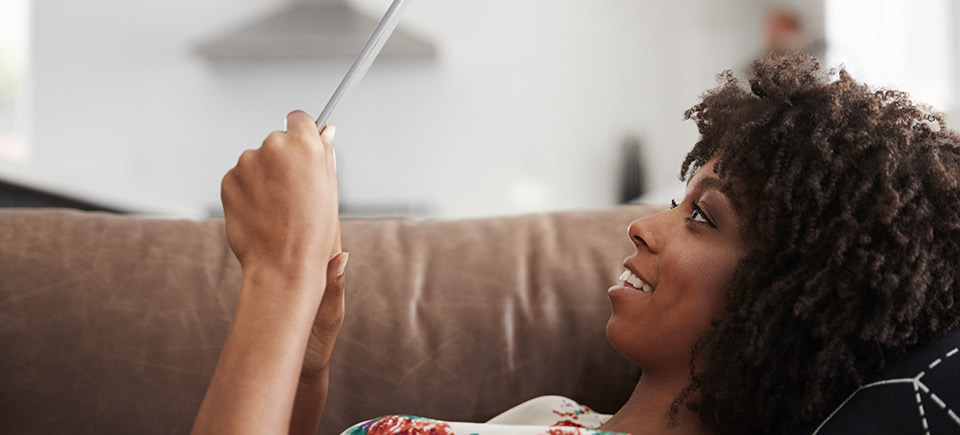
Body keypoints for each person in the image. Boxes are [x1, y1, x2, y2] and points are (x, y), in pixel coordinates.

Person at [191, 52, 960, 435]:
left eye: (703, 217)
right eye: (675, 200)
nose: (643, 225)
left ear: (792, 301)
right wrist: (308, 355)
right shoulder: (559, 415)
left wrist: (280, 276)